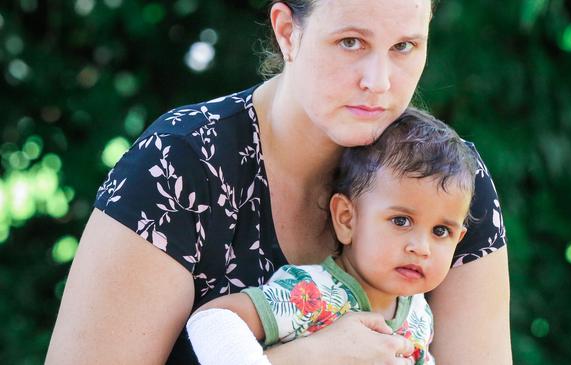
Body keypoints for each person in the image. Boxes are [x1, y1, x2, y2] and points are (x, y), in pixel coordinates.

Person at [46, 0, 511, 364]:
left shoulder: (448, 180)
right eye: (351, 42)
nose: (379, 81)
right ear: (288, 31)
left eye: (404, 47)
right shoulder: (181, 165)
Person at [186, 108, 476, 365]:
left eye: (441, 231)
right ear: (347, 219)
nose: (421, 248)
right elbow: (213, 320)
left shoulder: (418, 314)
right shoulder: (311, 292)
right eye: (401, 220)